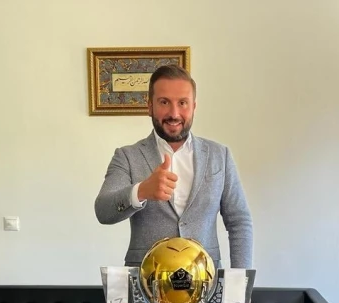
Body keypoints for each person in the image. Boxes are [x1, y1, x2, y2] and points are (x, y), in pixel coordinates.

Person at [94, 64, 253, 270]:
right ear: (149, 106)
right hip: (145, 282)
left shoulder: (220, 155)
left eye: (182, 103)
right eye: (164, 102)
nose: (174, 113)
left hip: (207, 281)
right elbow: (103, 211)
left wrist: (240, 282)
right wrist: (141, 191)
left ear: (193, 106)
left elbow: (239, 221)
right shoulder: (127, 156)